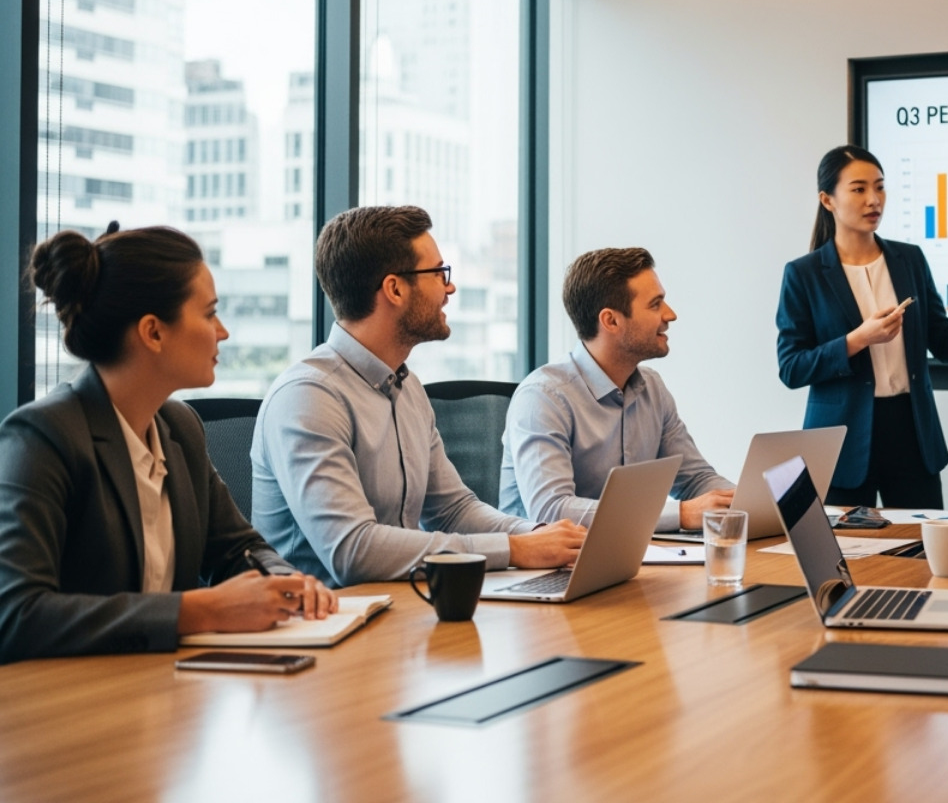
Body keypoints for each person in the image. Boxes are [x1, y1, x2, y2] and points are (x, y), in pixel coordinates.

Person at [0, 224, 335, 664]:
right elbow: (17, 615)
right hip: (68, 705)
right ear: (153, 333)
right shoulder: (43, 437)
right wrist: (197, 610)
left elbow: (236, 548)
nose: (223, 332)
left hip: (162, 691)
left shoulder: (180, 427)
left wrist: (283, 580)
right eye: (209, 313)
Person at [251, 206, 585, 587]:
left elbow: (453, 510)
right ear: (394, 288)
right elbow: (353, 551)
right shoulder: (308, 397)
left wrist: (540, 534)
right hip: (324, 623)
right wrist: (513, 548)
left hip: (402, 609)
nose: (450, 288)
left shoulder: (406, 386)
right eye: (440, 273)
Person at [776, 145, 948, 508]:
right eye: (859, 189)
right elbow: (791, 368)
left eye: (880, 187)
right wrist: (857, 340)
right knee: (848, 557)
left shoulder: (909, 259)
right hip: (841, 441)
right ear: (827, 200)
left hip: (912, 433)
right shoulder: (803, 274)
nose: (874, 200)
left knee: (921, 555)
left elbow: (945, 343)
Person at [502, 248, 735, 531]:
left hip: (629, 558)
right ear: (611, 321)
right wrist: (681, 514)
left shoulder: (653, 389)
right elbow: (552, 510)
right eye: (655, 304)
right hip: (546, 569)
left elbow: (696, 480)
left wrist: (747, 505)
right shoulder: (543, 398)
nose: (670, 314)